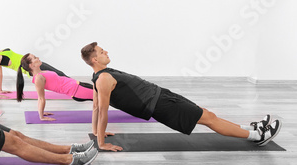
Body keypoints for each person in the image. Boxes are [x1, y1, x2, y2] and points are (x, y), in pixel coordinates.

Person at [80, 42, 282, 152]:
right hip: (160, 105)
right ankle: (258, 136)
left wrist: (96, 131)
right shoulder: (103, 79)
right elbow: (102, 110)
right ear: (95, 59)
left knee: (207, 114)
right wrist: (101, 142)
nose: (106, 51)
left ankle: (250, 129)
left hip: (161, 96)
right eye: (101, 51)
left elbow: (96, 108)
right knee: (209, 119)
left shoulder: (100, 76)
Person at [0, 36, 68, 98]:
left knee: (59, 74)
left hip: (33, 63)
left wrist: (1, 90)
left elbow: (0, 74)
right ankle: (75, 88)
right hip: (31, 67)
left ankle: (75, 87)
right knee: (59, 75)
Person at [16, 53, 93, 121]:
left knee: (103, 92)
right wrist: (41, 116)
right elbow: (41, 98)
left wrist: (42, 112)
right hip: (76, 91)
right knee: (102, 97)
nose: (38, 58)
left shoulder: (42, 72)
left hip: (78, 84)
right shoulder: (38, 78)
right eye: (35, 58)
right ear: (31, 65)